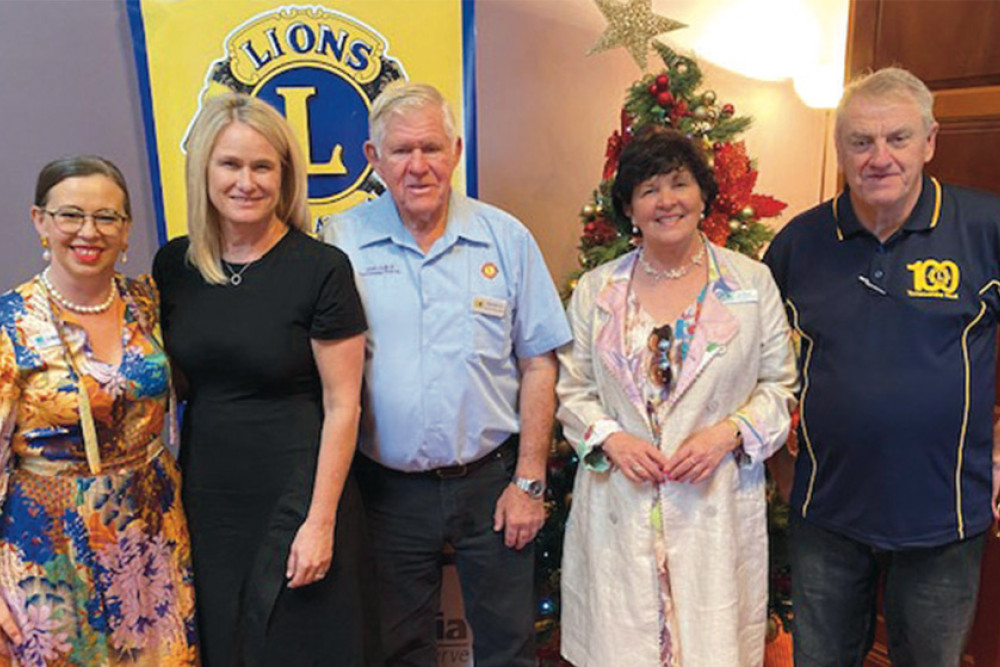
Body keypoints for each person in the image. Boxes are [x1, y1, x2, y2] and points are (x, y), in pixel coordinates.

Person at [322, 81, 571, 667]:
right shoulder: (341, 242)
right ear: (373, 159)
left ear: (456, 151)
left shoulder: (506, 239)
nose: (417, 166)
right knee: (397, 649)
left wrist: (530, 480)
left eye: (431, 148)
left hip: (493, 482)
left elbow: (539, 363)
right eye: (401, 151)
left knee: (509, 646)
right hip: (386, 490)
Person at [764, 66, 1000, 666]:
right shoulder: (798, 243)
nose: (880, 158)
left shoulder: (984, 228)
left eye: (898, 138)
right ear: (839, 147)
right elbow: (754, 364)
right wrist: (781, 467)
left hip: (944, 515)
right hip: (826, 514)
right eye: (861, 141)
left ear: (929, 141)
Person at [556, 127, 797, 666]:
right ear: (629, 208)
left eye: (679, 183)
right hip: (620, 501)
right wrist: (611, 438)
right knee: (623, 645)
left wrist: (727, 433)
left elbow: (780, 387)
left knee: (709, 648)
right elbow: (573, 388)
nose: (667, 201)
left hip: (713, 501)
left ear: (703, 194)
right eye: (648, 190)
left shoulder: (751, 284)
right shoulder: (599, 290)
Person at [152, 93, 375, 666]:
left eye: (262, 166)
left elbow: (344, 404)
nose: (245, 181)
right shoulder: (173, 267)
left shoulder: (321, 268)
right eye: (230, 164)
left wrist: (319, 522)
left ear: (284, 176)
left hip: (299, 493)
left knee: (303, 647)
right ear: (204, 169)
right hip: (208, 502)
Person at [0, 156, 198, 664]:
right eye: (70, 215)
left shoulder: (148, 301)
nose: (89, 231)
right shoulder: (10, 326)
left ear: (127, 230)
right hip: (49, 546)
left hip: (152, 531)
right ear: (40, 221)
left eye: (107, 217)